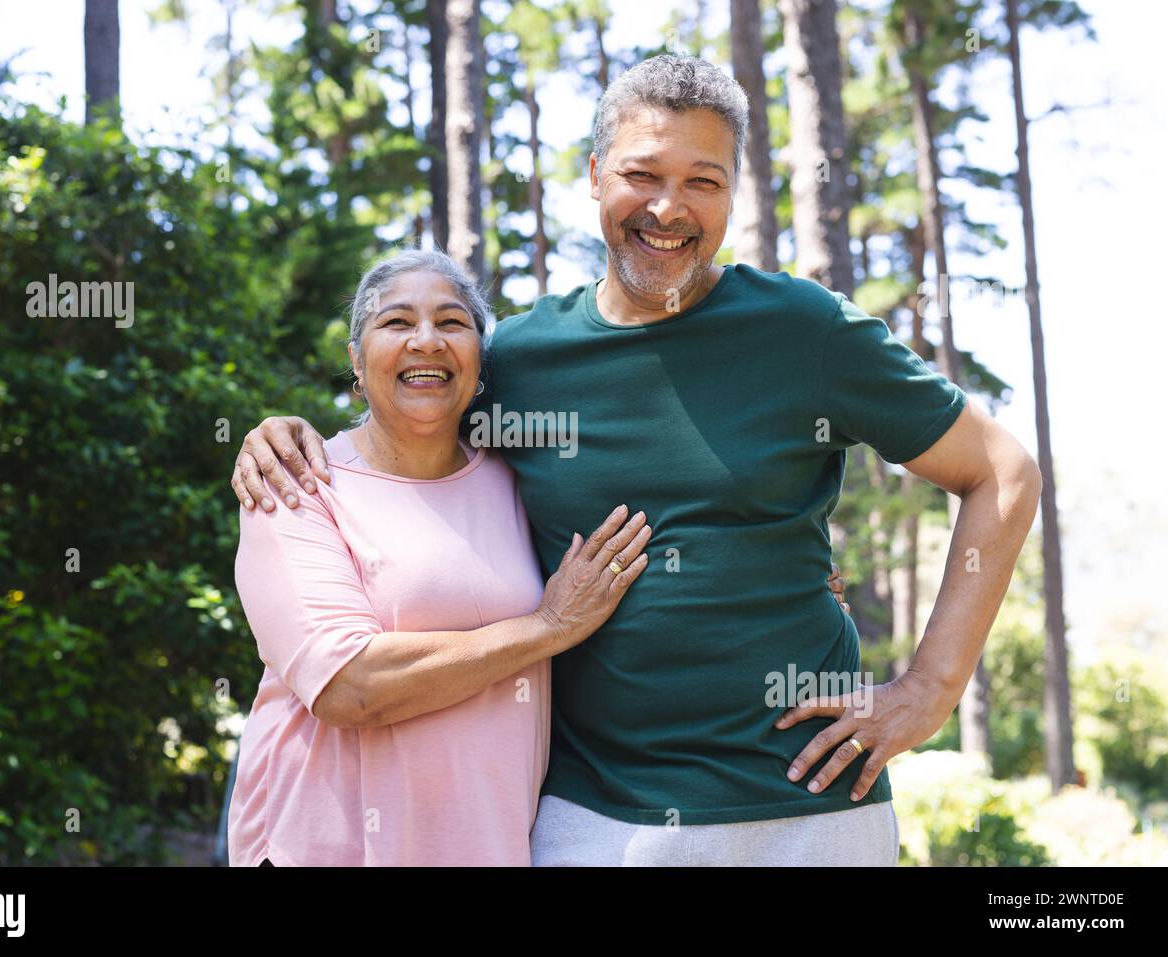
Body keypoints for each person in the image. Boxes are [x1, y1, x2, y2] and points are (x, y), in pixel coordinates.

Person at [233, 56, 1042, 866]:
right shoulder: (519, 360)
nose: (668, 207)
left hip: (808, 809)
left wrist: (928, 691)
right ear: (593, 175)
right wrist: (285, 433)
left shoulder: (803, 331)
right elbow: (407, 424)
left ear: (734, 192)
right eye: (642, 173)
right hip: (595, 818)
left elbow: (1001, 471)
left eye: (703, 180)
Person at [227, 250, 654, 866]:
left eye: (452, 323)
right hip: (325, 849)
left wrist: (805, 578)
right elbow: (349, 686)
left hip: (487, 847)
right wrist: (546, 629)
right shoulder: (295, 485)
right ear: (356, 358)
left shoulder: (522, 480)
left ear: (480, 360)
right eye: (395, 323)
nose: (426, 341)